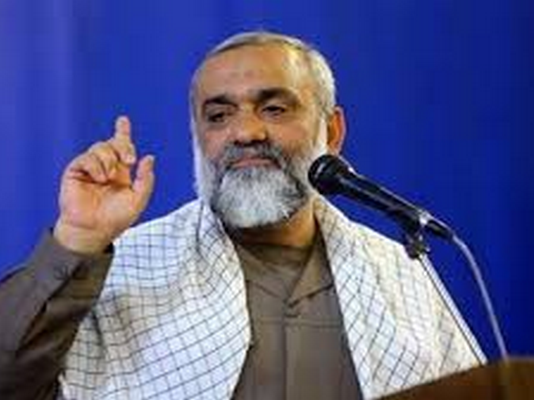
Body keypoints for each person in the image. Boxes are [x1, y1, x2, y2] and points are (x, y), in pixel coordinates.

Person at [0, 31, 485, 400]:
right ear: (198, 137)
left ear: (332, 132)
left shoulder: (400, 272)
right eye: (218, 116)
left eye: (274, 109)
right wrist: (76, 239)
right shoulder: (125, 264)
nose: (246, 132)